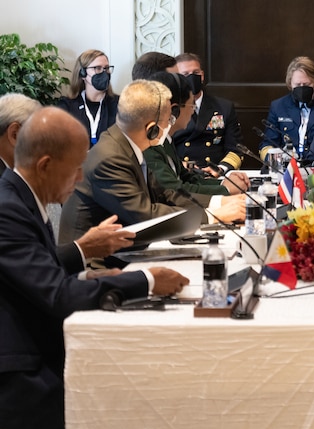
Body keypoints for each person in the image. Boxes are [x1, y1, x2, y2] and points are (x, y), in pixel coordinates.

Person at [0, 106, 187, 429]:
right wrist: (147, 280)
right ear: (45, 166)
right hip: (19, 374)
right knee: (126, 401)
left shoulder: (19, 197)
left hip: (34, 344)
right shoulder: (8, 209)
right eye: (75, 168)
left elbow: (34, 269)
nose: (81, 176)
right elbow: (57, 296)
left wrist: (88, 265)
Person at [59, 80, 244, 245]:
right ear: (152, 129)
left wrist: (221, 202)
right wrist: (212, 216)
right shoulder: (110, 158)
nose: (170, 125)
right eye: (168, 119)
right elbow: (144, 214)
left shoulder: (128, 145)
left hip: (126, 248)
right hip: (98, 265)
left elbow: (166, 194)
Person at [0, 93, 135, 270]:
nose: (78, 177)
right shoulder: (9, 194)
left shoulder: (13, 179)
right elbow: (30, 271)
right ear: (15, 134)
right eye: (40, 137)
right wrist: (83, 248)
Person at [145, 71, 250, 196]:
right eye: (192, 105)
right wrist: (225, 191)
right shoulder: (151, 142)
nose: (193, 111)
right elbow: (174, 190)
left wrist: (225, 183)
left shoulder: (165, 139)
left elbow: (187, 179)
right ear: (175, 109)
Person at [259, 56, 314, 163]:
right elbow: (267, 144)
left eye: (306, 84)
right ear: (290, 84)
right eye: (297, 85)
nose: (302, 88)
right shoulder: (279, 107)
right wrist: (276, 159)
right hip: (288, 170)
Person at [174, 53, 244, 173]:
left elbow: (236, 148)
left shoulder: (224, 107)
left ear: (202, 75)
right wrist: (178, 165)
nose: (192, 78)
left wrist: (220, 169)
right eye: (185, 74)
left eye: (196, 73)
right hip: (181, 174)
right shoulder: (170, 108)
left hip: (215, 174)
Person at [56, 49, 119, 146]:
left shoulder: (120, 104)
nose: (104, 73)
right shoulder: (66, 106)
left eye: (106, 68)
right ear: (83, 73)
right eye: (97, 68)